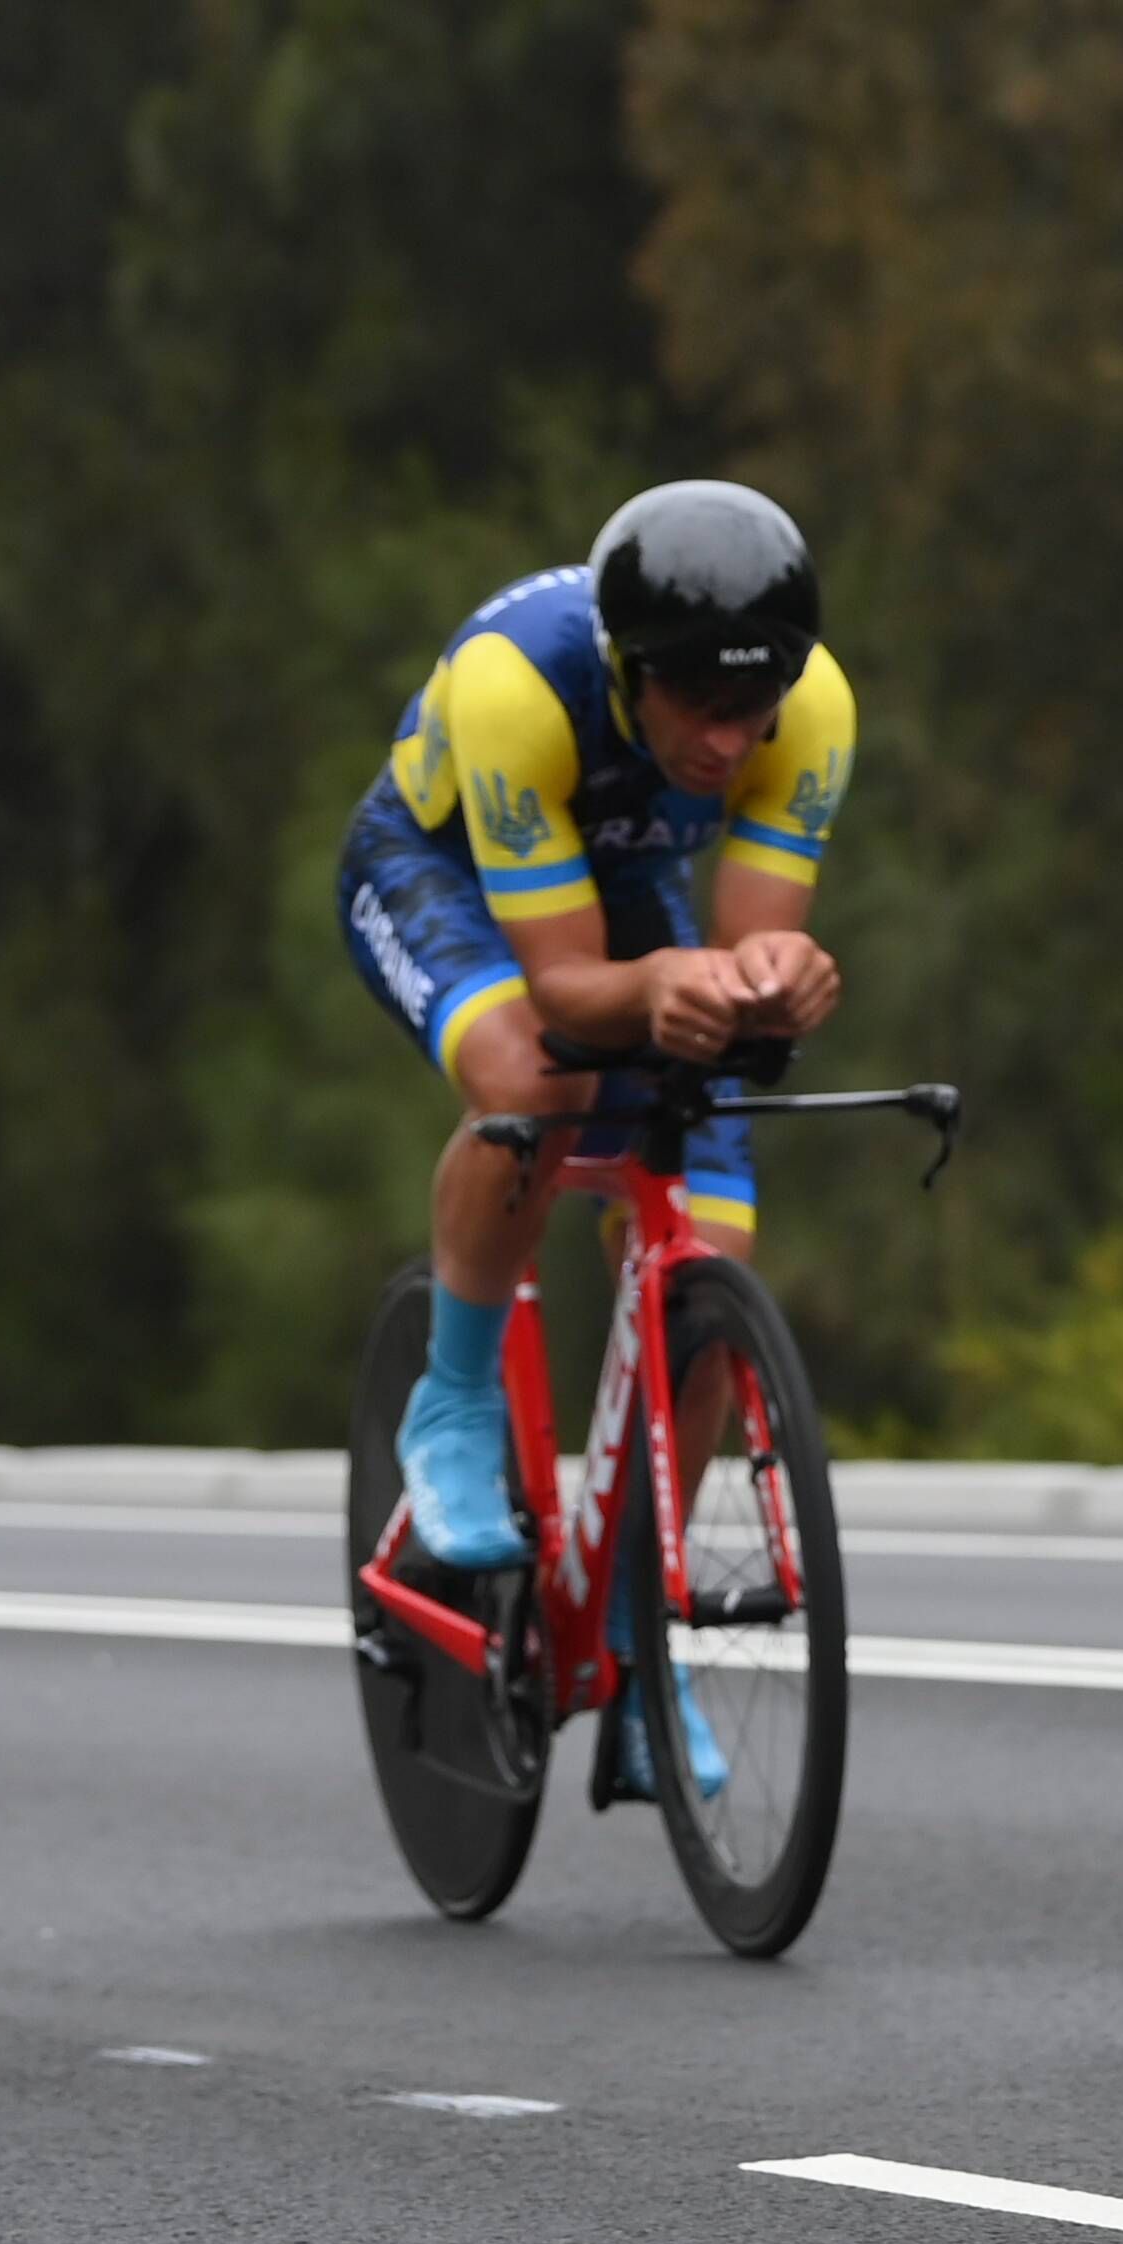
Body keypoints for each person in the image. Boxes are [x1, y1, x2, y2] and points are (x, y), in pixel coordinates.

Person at [338, 479, 853, 1799]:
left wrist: (772, 974)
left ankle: (635, 1644)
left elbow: (743, 943)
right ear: (630, 676)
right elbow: (570, 992)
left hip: (615, 869)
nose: (734, 742)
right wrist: (662, 986)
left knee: (714, 1220)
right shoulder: (522, 684)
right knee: (534, 1075)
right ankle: (451, 1409)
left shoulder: (818, 710)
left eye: (760, 709)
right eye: (702, 707)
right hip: (438, 869)